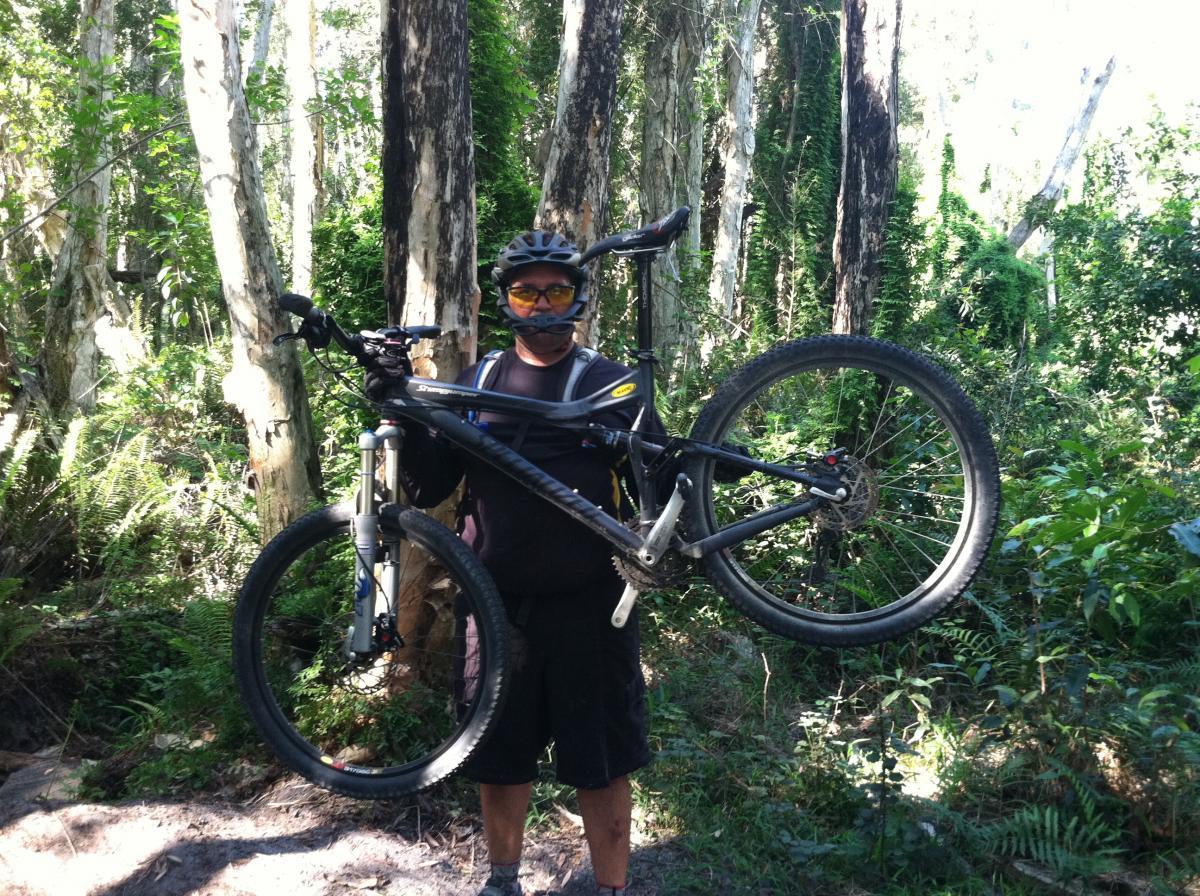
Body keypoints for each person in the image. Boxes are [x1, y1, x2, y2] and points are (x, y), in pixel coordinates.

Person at [366, 231, 654, 896]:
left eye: (556, 289)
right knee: (498, 757)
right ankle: (502, 881)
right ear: (507, 301)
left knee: (602, 762)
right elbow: (430, 486)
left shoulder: (611, 382)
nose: (543, 303)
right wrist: (398, 410)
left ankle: (612, 888)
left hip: (592, 608)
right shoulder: (480, 380)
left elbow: (659, 486)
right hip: (493, 609)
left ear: (577, 297)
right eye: (527, 292)